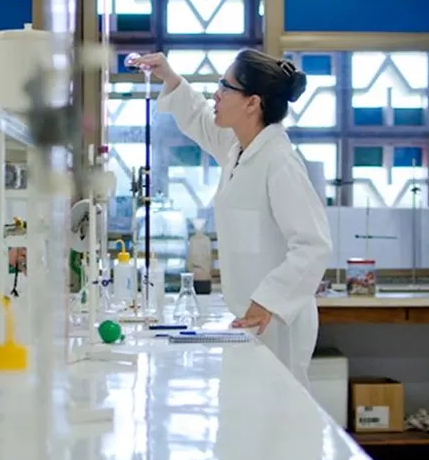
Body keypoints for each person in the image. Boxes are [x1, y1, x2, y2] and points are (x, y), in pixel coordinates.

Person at [133, 49, 332, 388]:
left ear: (252, 103)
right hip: (251, 319)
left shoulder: (278, 161)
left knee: (278, 423)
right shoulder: (239, 149)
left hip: (277, 323)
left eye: (225, 87)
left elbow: (314, 246)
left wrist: (266, 303)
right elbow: (199, 118)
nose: (217, 93)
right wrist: (169, 76)